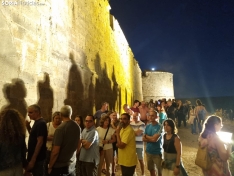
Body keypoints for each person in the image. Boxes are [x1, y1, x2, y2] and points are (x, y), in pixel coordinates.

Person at [48, 105, 80, 176]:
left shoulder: (60, 129)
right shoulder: (77, 126)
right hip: (72, 163)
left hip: (60, 167)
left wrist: (50, 166)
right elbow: (79, 144)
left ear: (61, 114)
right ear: (71, 114)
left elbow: (55, 151)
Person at [0, 109, 27, 176]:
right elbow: (23, 152)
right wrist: (26, 166)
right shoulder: (20, 134)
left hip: (3, 168)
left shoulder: (1, 135)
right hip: (18, 166)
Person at [25, 104, 47, 176]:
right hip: (34, 157)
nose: (28, 115)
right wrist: (28, 127)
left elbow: (40, 142)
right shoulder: (37, 122)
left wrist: (33, 159)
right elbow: (34, 136)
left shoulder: (41, 123)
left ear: (37, 112)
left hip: (38, 158)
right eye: (28, 112)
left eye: (31, 112)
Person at [143, 110, 163, 176]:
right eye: (150, 115)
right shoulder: (148, 126)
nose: (150, 117)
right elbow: (143, 139)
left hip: (157, 152)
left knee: (160, 171)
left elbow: (155, 140)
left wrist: (147, 136)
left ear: (156, 116)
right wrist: (151, 137)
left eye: (152, 115)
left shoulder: (160, 127)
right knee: (151, 170)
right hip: (149, 151)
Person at [45, 111, 61, 175]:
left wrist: (51, 137)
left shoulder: (62, 126)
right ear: (53, 118)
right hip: (48, 149)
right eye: (56, 118)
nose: (57, 120)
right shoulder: (48, 125)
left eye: (59, 118)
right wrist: (55, 138)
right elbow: (44, 137)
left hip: (58, 150)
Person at [130, 112, 146, 176]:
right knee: (132, 160)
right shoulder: (131, 124)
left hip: (140, 145)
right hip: (132, 145)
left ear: (139, 116)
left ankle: (143, 174)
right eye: (133, 117)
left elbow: (137, 133)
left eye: (136, 116)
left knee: (141, 160)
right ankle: (134, 173)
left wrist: (132, 132)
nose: (134, 118)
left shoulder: (142, 124)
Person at [108, 111, 120, 175]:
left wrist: (112, 125)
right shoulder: (108, 123)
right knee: (112, 157)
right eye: (113, 115)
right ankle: (113, 170)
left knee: (119, 156)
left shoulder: (120, 123)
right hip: (112, 141)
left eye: (116, 115)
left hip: (118, 141)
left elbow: (117, 131)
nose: (114, 117)